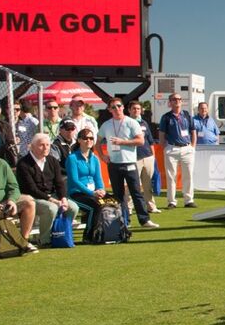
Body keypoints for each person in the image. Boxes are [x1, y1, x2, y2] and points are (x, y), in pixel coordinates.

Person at [99, 97, 158, 228]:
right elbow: (97, 140)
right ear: (109, 109)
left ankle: (144, 220)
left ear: (123, 107)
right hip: (114, 164)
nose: (117, 109)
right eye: (113, 107)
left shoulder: (131, 122)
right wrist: (103, 155)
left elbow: (141, 141)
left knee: (136, 193)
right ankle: (124, 221)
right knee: (118, 195)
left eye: (119, 106)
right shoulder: (106, 124)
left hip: (130, 162)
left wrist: (122, 142)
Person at [15, 133, 78, 246]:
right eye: (41, 145)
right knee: (51, 208)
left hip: (52, 196)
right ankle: (44, 240)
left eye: (48, 145)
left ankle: (62, 235)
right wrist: (51, 200)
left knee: (73, 207)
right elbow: (31, 189)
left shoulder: (52, 161)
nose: (45, 148)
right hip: (32, 198)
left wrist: (63, 198)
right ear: (32, 147)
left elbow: (59, 183)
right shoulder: (23, 163)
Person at [65, 127, 108, 241]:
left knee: (113, 202)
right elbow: (74, 180)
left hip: (93, 192)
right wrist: (92, 193)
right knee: (95, 206)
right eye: (85, 138)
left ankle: (107, 233)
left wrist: (101, 190)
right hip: (77, 193)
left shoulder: (94, 158)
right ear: (79, 140)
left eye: (91, 138)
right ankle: (89, 236)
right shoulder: (72, 158)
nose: (88, 140)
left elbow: (98, 178)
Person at [158, 93, 196, 208]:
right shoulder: (166, 117)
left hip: (187, 148)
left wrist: (193, 146)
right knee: (171, 177)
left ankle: (188, 200)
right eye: (174, 99)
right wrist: (165, 147)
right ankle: (171, 201)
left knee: (188, 175)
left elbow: (193, 131)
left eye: (179, 99)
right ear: (170, 102)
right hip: (172, 148)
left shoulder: (187, 115)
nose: (177, 101)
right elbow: (161, 135)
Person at [129, 99, 160, 214]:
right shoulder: (126, 123)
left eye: (138, 109)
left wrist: (153, 156)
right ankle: (129, 207)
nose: (136, 110)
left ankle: (151, 206)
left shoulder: (144, 123)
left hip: (148, 156)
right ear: (129, 110)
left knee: (147, 184)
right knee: (133, 184)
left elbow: (150, 141)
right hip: (134, 158)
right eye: (134, 109)